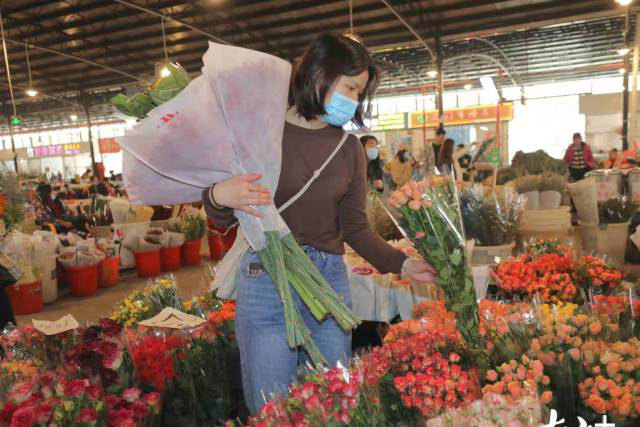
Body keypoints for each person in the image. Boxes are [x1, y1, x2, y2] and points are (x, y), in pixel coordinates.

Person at [201, 32, 435, 414]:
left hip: (329, 283)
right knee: (271, 405)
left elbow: (356, 228)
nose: (354, 100)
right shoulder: (259, 131)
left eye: (360, 93)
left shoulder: (348, 151)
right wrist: (217, 195)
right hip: (266, 278)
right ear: (317, 75)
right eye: (350, 87)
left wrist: (404, 264)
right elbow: (223, 214)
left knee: (332, 402)